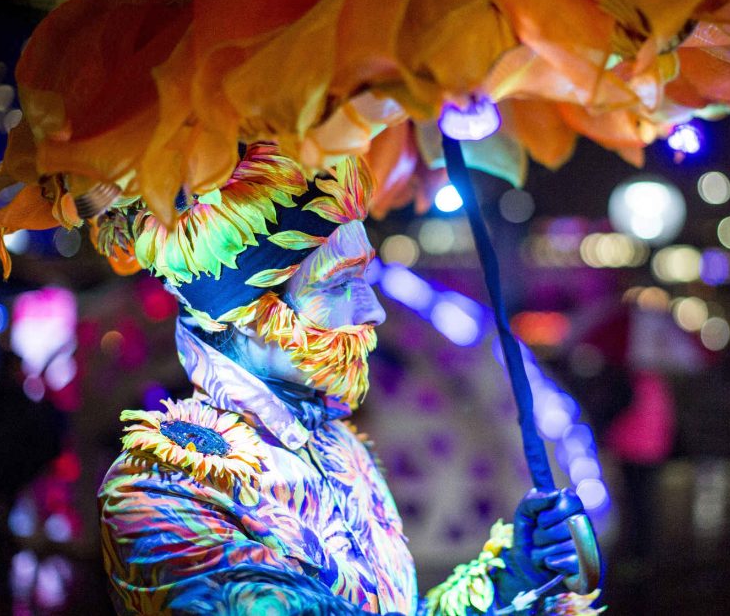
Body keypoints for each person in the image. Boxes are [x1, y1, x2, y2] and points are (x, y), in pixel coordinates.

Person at [94, 144, 600, 614]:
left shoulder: (342, 447)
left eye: (365, 278)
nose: (374, 310)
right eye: (339, 282)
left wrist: (514, 577)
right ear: (248, 313)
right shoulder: (162, 489)